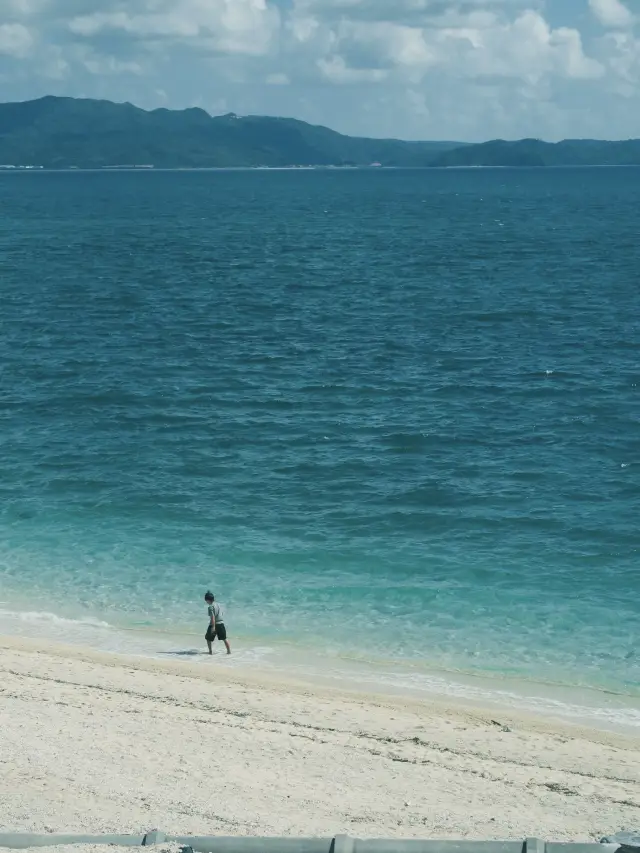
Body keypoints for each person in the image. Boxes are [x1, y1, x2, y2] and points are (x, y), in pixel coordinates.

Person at [204, 591, 231, 655]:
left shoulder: (210, 607)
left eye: (206, 600)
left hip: (214, 624)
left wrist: (213, 627)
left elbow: (212, 617)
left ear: (207, 600)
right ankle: (229, 652)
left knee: (208, 638)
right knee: (224, 639)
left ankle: (210, 652)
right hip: (221, 623)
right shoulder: (218, 605)